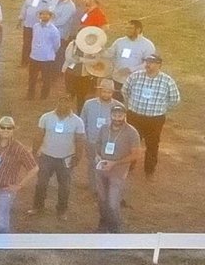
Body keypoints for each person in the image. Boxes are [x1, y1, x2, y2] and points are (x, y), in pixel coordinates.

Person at [122, 54, 180, 179]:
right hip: (134, 116)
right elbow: (125, 91)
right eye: (147, 62)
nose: (148, 65)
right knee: (131, 142)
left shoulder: (167, 81)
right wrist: (132, 104)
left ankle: (149, 170)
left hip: (155, 119)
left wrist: (161, 108)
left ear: (159, 65)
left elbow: (175, 99)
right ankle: (128, 166)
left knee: (152, 145)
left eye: (152, 62)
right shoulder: (135, 76)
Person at [29, 94, 85, 219]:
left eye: (66, 101)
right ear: (57, 102)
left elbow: (79, 140)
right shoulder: (46, 117)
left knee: (64, 186)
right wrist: (35, 152)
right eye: (61, 101)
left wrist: (77, 157)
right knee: (41, 183)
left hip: (66, 158)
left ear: (71, 103)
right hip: (46, 156)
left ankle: (62, 211)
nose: (63, 104)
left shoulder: (77, 121)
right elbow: (39, 135)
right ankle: (37, 206)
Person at [91, 103, 142, 232]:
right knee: (102, 200)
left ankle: (115, 230)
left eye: (120, 115)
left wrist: (115, 163)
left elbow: (136, 154)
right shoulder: (104, 128)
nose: (117, 118)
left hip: (118, 173)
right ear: (111, 115)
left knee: (113, 203)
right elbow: (97, 144)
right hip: (101, 169)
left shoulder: (132, 132)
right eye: (115, 115)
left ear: (125, 116)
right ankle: (103, 224)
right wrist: (97, 156)